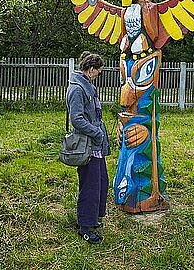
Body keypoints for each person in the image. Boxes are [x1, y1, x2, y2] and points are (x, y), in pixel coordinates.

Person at [66, 51, 110, 244]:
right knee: (90, 186)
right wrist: (97, 132)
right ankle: (85, 227)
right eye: (98, 72)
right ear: (91, 69)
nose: (98, 75)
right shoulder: (77, 89)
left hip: (95, 145)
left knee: (101, 182)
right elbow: (77, 119)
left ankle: (92, 218)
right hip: (87, 145)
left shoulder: (87, 86)